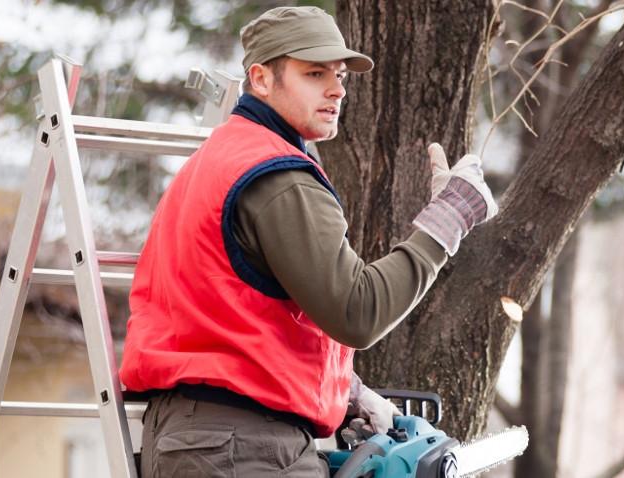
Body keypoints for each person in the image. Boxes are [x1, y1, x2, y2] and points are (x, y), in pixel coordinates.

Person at [118, 6, 497, 477]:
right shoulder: (277, 177)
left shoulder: (217, 159)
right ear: (260, 78)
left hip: (208, 437)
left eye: (338, 74)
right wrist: (449, 220)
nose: (336, 88)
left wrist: (349, 391)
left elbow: (236, 317)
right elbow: (357, 311)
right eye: (314, 73)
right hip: (241, 446)